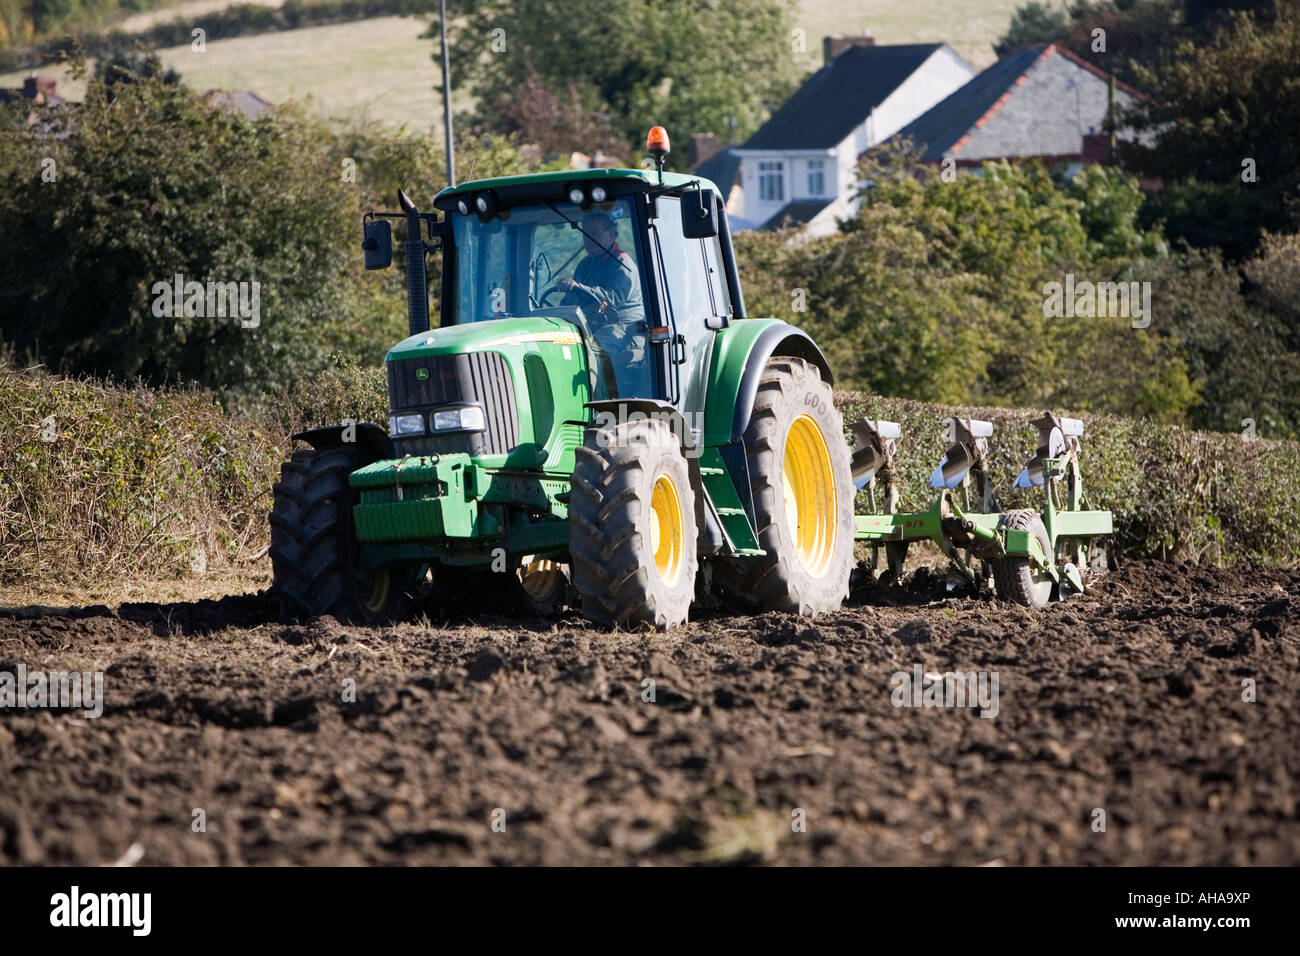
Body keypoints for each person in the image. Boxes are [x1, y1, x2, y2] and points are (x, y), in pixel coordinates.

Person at [558, 211, 648, 397]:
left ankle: (596, 401)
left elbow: (612, 299)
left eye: (595, 233)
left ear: (611, 234)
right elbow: (572, 300)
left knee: (593, 349)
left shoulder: (622, 264)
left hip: (621, 326)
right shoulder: (585, 265)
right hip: (592, 323)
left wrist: (578, 288)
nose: (589, 239)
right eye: (585, 234)